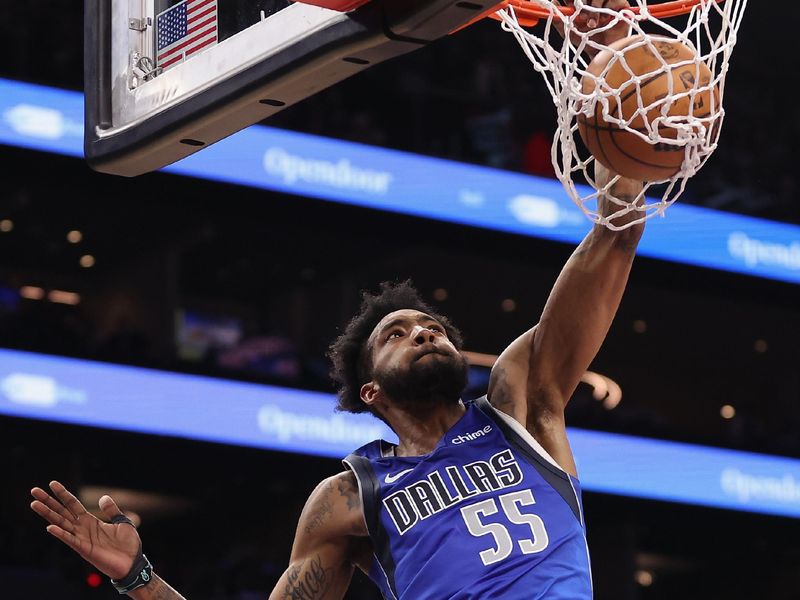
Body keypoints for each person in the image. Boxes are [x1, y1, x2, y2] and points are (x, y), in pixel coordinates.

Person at [30, 5, 643, 598]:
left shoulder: (519, 406)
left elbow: (609, 248)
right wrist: (136, 576)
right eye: (396, 335)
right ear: (369, 391)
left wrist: (628, 143)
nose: (425, 333)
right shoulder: (348, 498)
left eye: (431, 327)